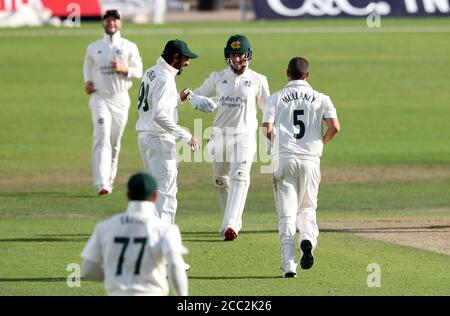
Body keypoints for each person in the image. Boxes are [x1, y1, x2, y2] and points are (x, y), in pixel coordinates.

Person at [262, 57, 340, 278]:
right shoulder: (321, 98)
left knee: (286, 215)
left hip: (284, 159)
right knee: (307, 208)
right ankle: (307, 239)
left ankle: (288, 264)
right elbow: (335, 126)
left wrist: (275, 143)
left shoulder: (276, 98)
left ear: (287, 73)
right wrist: (320, 142)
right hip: (310, 159)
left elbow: (266, 128)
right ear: (307, 75)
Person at [187, 34, 270, 241]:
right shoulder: (218, 77)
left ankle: (230, 225)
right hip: (220, 136)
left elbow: (269, 111)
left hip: (245, 136)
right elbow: (195, 96)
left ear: (248, 55)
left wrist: (271, 140)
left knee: (240, 176)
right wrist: (199, 101)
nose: (237, 60)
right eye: (233, 56)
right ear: (228, 57)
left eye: (241, 55)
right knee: (220, 181)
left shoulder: (258, 80)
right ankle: (230, 220)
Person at [81, 172, 189, 296]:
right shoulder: (166, 229)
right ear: (155, 196)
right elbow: (175, 264)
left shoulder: (104, 227)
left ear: (128, 196)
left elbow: (88, 270)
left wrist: (117, 279)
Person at [136, 39, 200, 225]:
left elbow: (152, 106)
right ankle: (162, 235)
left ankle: (151, 231)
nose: (187, 63)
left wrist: (178, 99)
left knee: (155, 190)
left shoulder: (152, 71)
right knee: (166, 191)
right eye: (186, 59)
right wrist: (186, 135)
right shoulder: (165, 78)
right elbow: (160, 115)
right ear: (175, 57)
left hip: (145, 137)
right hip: (159, 140)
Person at [83, 9, 143, 195]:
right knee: (101, 135)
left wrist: (124, 69)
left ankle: (109, 178)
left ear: (120, 23)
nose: (111, 23)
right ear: (103, 23)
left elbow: (139, 71)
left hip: (120, 97)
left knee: (114, 141)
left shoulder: (129, 46)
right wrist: (88, 82)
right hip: (100, 97)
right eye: (108, 20)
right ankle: (101, 182)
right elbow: (87, 65)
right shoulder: (94, 47)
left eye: (115, 20)